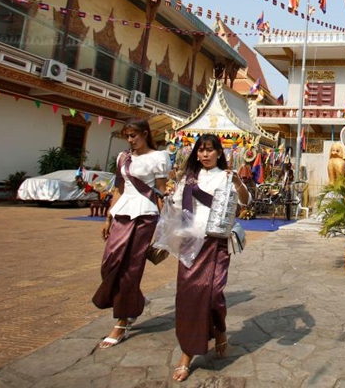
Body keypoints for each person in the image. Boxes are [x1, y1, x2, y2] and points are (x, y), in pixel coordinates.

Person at [169, 134, 250, 382]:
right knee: (189, 297)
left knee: (213, 294)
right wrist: (169, 193)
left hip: (216, 242)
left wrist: (237, 182)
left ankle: (220, 330)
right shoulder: (188, 178)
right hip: (190, 241)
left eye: (209, 150)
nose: (204, 155)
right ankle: (187, 354)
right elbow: (175, 208)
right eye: (200, 151)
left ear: (218, 152)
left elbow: (245, 202)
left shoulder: (225, 176)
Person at [93, 118, 170, 349]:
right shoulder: (123, 157)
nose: (130, 140)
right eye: (127, 136)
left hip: (144, 215)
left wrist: (163, 225)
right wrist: (108, 217)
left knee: (130, 268)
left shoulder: (159, 157)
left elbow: (161, 191)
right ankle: (135, 300)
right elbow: (118, 188)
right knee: (109, 263)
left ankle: (122, 321)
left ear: (145, 134)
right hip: (121, 212)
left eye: (134, 135)